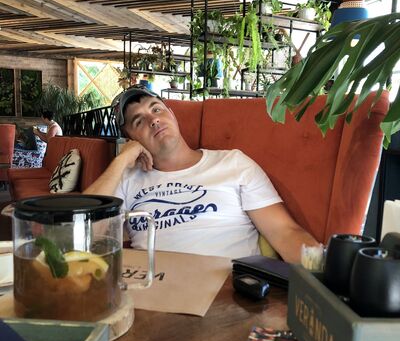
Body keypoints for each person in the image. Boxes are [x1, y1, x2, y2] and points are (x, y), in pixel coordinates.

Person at [84, 86, 319, 262]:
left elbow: (284, 232)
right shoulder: (126, 180)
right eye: (139, 121)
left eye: (156, 109)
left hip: (230, 292)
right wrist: (121, 161)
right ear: (130, 139)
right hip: (154, 292)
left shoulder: (233, 163)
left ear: (172, 115)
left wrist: (325, 270)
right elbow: (82, 234)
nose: (153, 119)